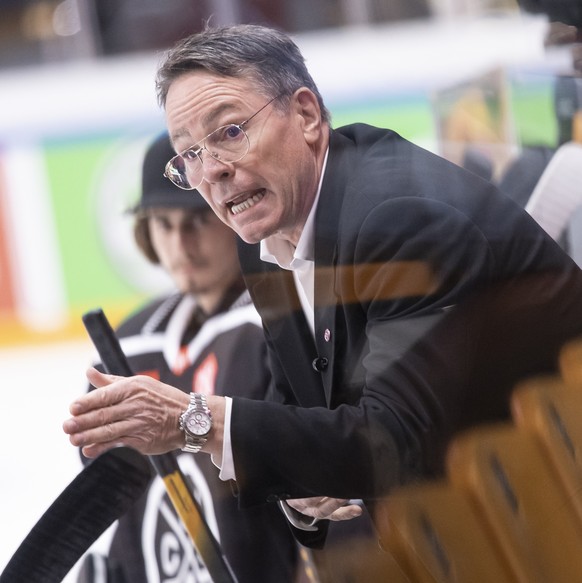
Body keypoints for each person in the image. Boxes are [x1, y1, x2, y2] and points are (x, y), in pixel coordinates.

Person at [64, 24, 582, 554]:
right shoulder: (265, 234)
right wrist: (304, 488)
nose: (212, 171)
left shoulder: (399, 218)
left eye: (230, 132)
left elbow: (395, 442)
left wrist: (192, 420)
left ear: (307, 116)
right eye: (189, 154)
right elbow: (312, 411)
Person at [76, 132, 303, 583]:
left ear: (229, 211)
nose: (180, 244)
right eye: (163, 223)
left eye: (197, 220)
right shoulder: (128, 345)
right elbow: (105, 482)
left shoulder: (283, 323)